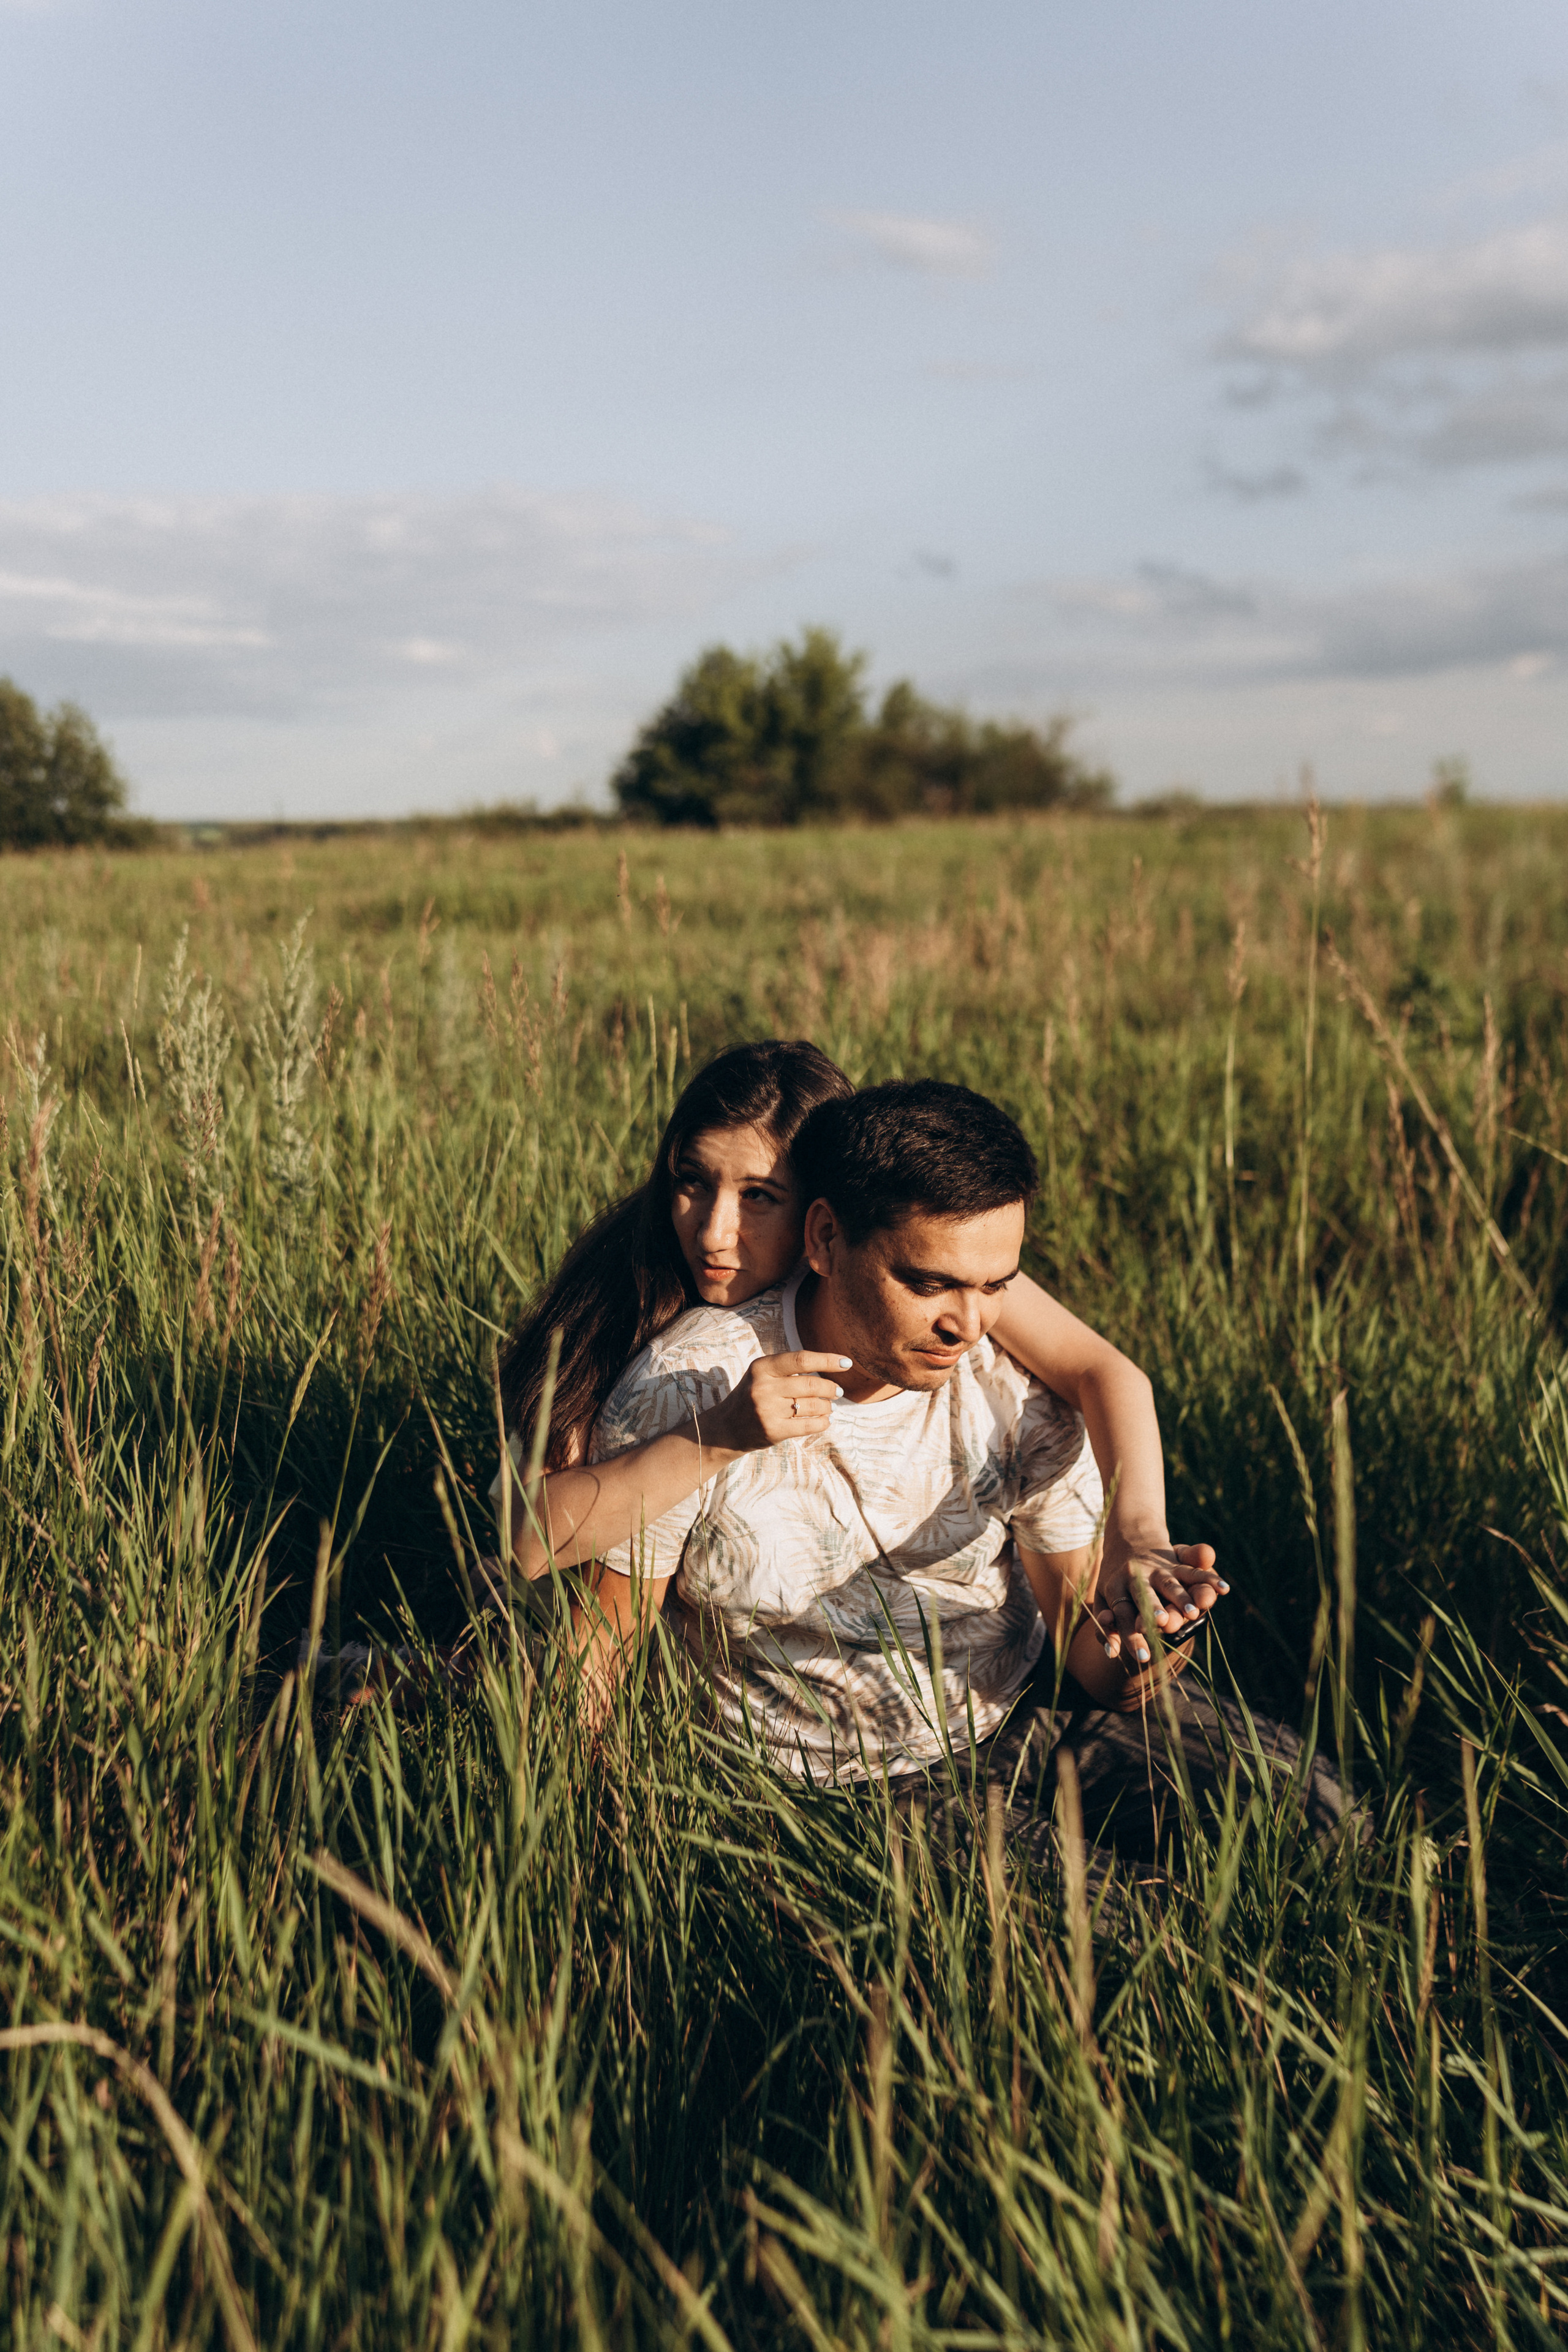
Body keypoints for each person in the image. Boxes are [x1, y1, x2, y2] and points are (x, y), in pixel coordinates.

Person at [494, 1044, 1219, 1681]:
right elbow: (524, 1544)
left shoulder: (943, 1274)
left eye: (759, 1196)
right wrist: (716, 1435)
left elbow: (1104, 1371)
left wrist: (1137, 1540)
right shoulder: (628, 1314)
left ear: (824, 1215)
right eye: (692, 1181)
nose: (714, 1232)